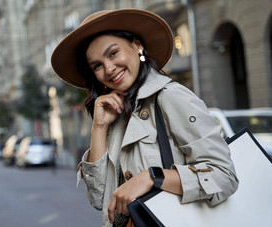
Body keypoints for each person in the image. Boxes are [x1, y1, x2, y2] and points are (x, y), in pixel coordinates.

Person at [51, 9, 239, 227]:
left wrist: (152, 178)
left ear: (137, 45)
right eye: (97, 66)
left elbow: (224, 176)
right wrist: (99, 127)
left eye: (113, 53)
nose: (109, 69)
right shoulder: (116, 116)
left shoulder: (170, 96)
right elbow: (100, 200)